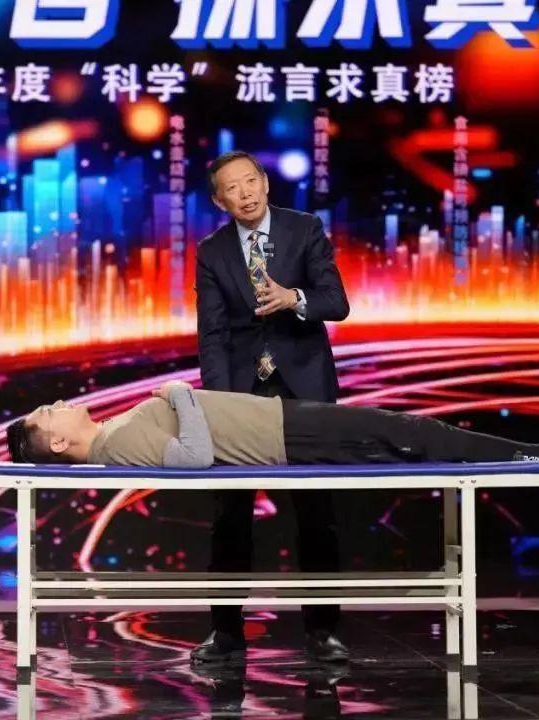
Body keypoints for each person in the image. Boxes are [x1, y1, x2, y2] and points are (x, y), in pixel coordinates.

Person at [6, 382, 539, 663]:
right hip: (284, 438)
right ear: (57, 444)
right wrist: (181, 395)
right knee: (416, 435)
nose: (55, 404)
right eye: (46, 414)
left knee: (414, 435)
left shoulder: (113, 432)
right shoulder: (115, 447)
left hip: (281, 424)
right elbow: (193, 459)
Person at [195, 150, 350, 665]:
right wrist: (221, 404)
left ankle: (323, 632)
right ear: (219, 201)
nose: (244, 193)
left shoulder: (304, 229)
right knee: (230, 516)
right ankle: (225, 632)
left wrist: (295, 299)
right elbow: (212, 334)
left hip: (303, 389)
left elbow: (336, 302)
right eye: (231, 188)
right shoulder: (212, 252)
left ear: (264, 182)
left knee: (317, 515)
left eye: (250, 181)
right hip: (242, 393)